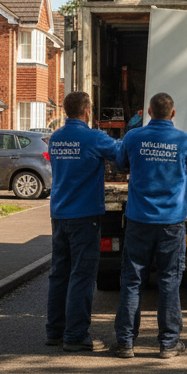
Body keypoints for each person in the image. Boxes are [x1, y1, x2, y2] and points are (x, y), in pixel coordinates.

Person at [113, 92, 187, 359]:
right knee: (169, 282)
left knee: (132, 281)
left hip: (139, 220)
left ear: (149, 112)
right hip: (171, 223)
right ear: (172, 114)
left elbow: (120, 164)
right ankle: (168, 344)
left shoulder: (134, 137)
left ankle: (126, 343)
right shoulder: (184, 140)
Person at [46, 91, 121, 352]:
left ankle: (54, 330)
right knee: (82, 275)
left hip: (59, 214)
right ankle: (75, 334)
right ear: (87, 111)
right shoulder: (93, 137)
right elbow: (120, 155)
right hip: (84, 215)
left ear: (66, 111)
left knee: (59, 274)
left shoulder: (55, 138)